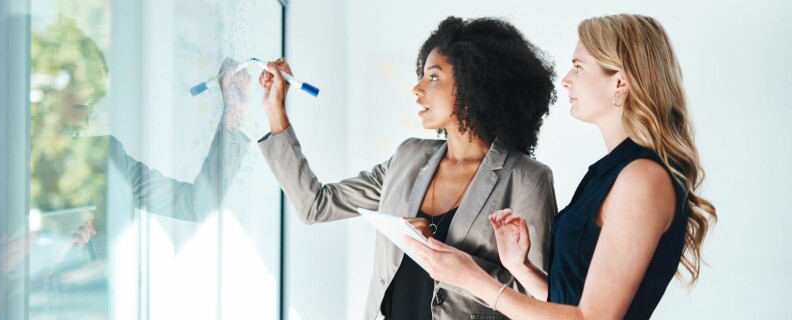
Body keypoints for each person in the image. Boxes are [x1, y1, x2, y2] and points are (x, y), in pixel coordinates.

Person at [407, 14, 718, 319]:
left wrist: (474, 279)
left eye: (579, 68)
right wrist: (521, 267)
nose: (566, 80)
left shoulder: (643, 179)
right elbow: (570, 302)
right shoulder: (610, 173)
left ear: (620, 83)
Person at [258, 16, 557, 319]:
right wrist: (274, 110)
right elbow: (315, 205)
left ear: (474, 84)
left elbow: (539, 302)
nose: (417, 88)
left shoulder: (527, 179)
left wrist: (441, 254)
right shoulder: (407, 157)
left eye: (434, 77)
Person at [4, 16, 252, 318]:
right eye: (72, 78)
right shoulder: (2, 164)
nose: (86, 95)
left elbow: (196, 204)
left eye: (92, 84)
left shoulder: (107, 158)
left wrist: (233, 113)